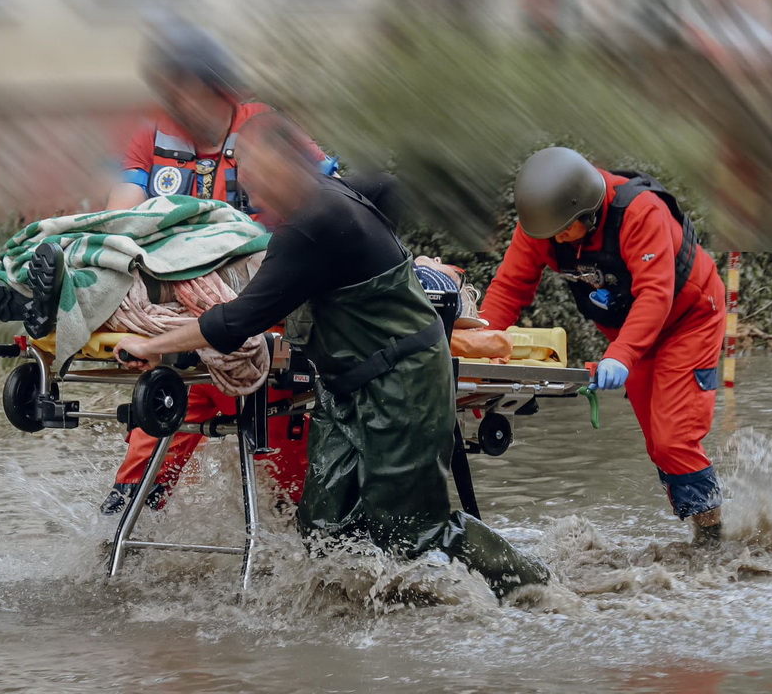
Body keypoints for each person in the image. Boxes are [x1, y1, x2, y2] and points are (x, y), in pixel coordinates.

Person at [113, 112, 551, 599]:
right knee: (322, 525)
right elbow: (388, 187)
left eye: (254, 183)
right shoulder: (337, 201)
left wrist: (149, 345)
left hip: (404, 384)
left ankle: (534, 588)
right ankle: (362, 614)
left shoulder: (312, 224)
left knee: (411, 531)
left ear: (285, 169)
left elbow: (238, 322)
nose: (249, 197)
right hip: (344, 390)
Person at [101, 19, 332, 514]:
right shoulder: (150, 136)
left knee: (298, 496)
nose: (173, 96)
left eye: (179, 82)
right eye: (166, 84)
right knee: (136, 486)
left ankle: (312, 559)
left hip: (263, 325)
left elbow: (332, 201)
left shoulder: (266, 128)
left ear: (210, 81)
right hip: (182, 337)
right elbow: (121, 222)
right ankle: (116, 550)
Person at [478, 147, 727, 545]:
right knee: (657, 446)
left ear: (587, 212)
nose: (555, 240)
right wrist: (478, 350)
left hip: (688, 319)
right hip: (631, 332)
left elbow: (655, 295)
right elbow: (509, 289)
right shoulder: (545, 222)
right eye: (549, 233)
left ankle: (713, 543)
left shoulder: (640, 213)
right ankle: (700, 524)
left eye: (563, 231)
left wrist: (621, 356)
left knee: (673, 440)